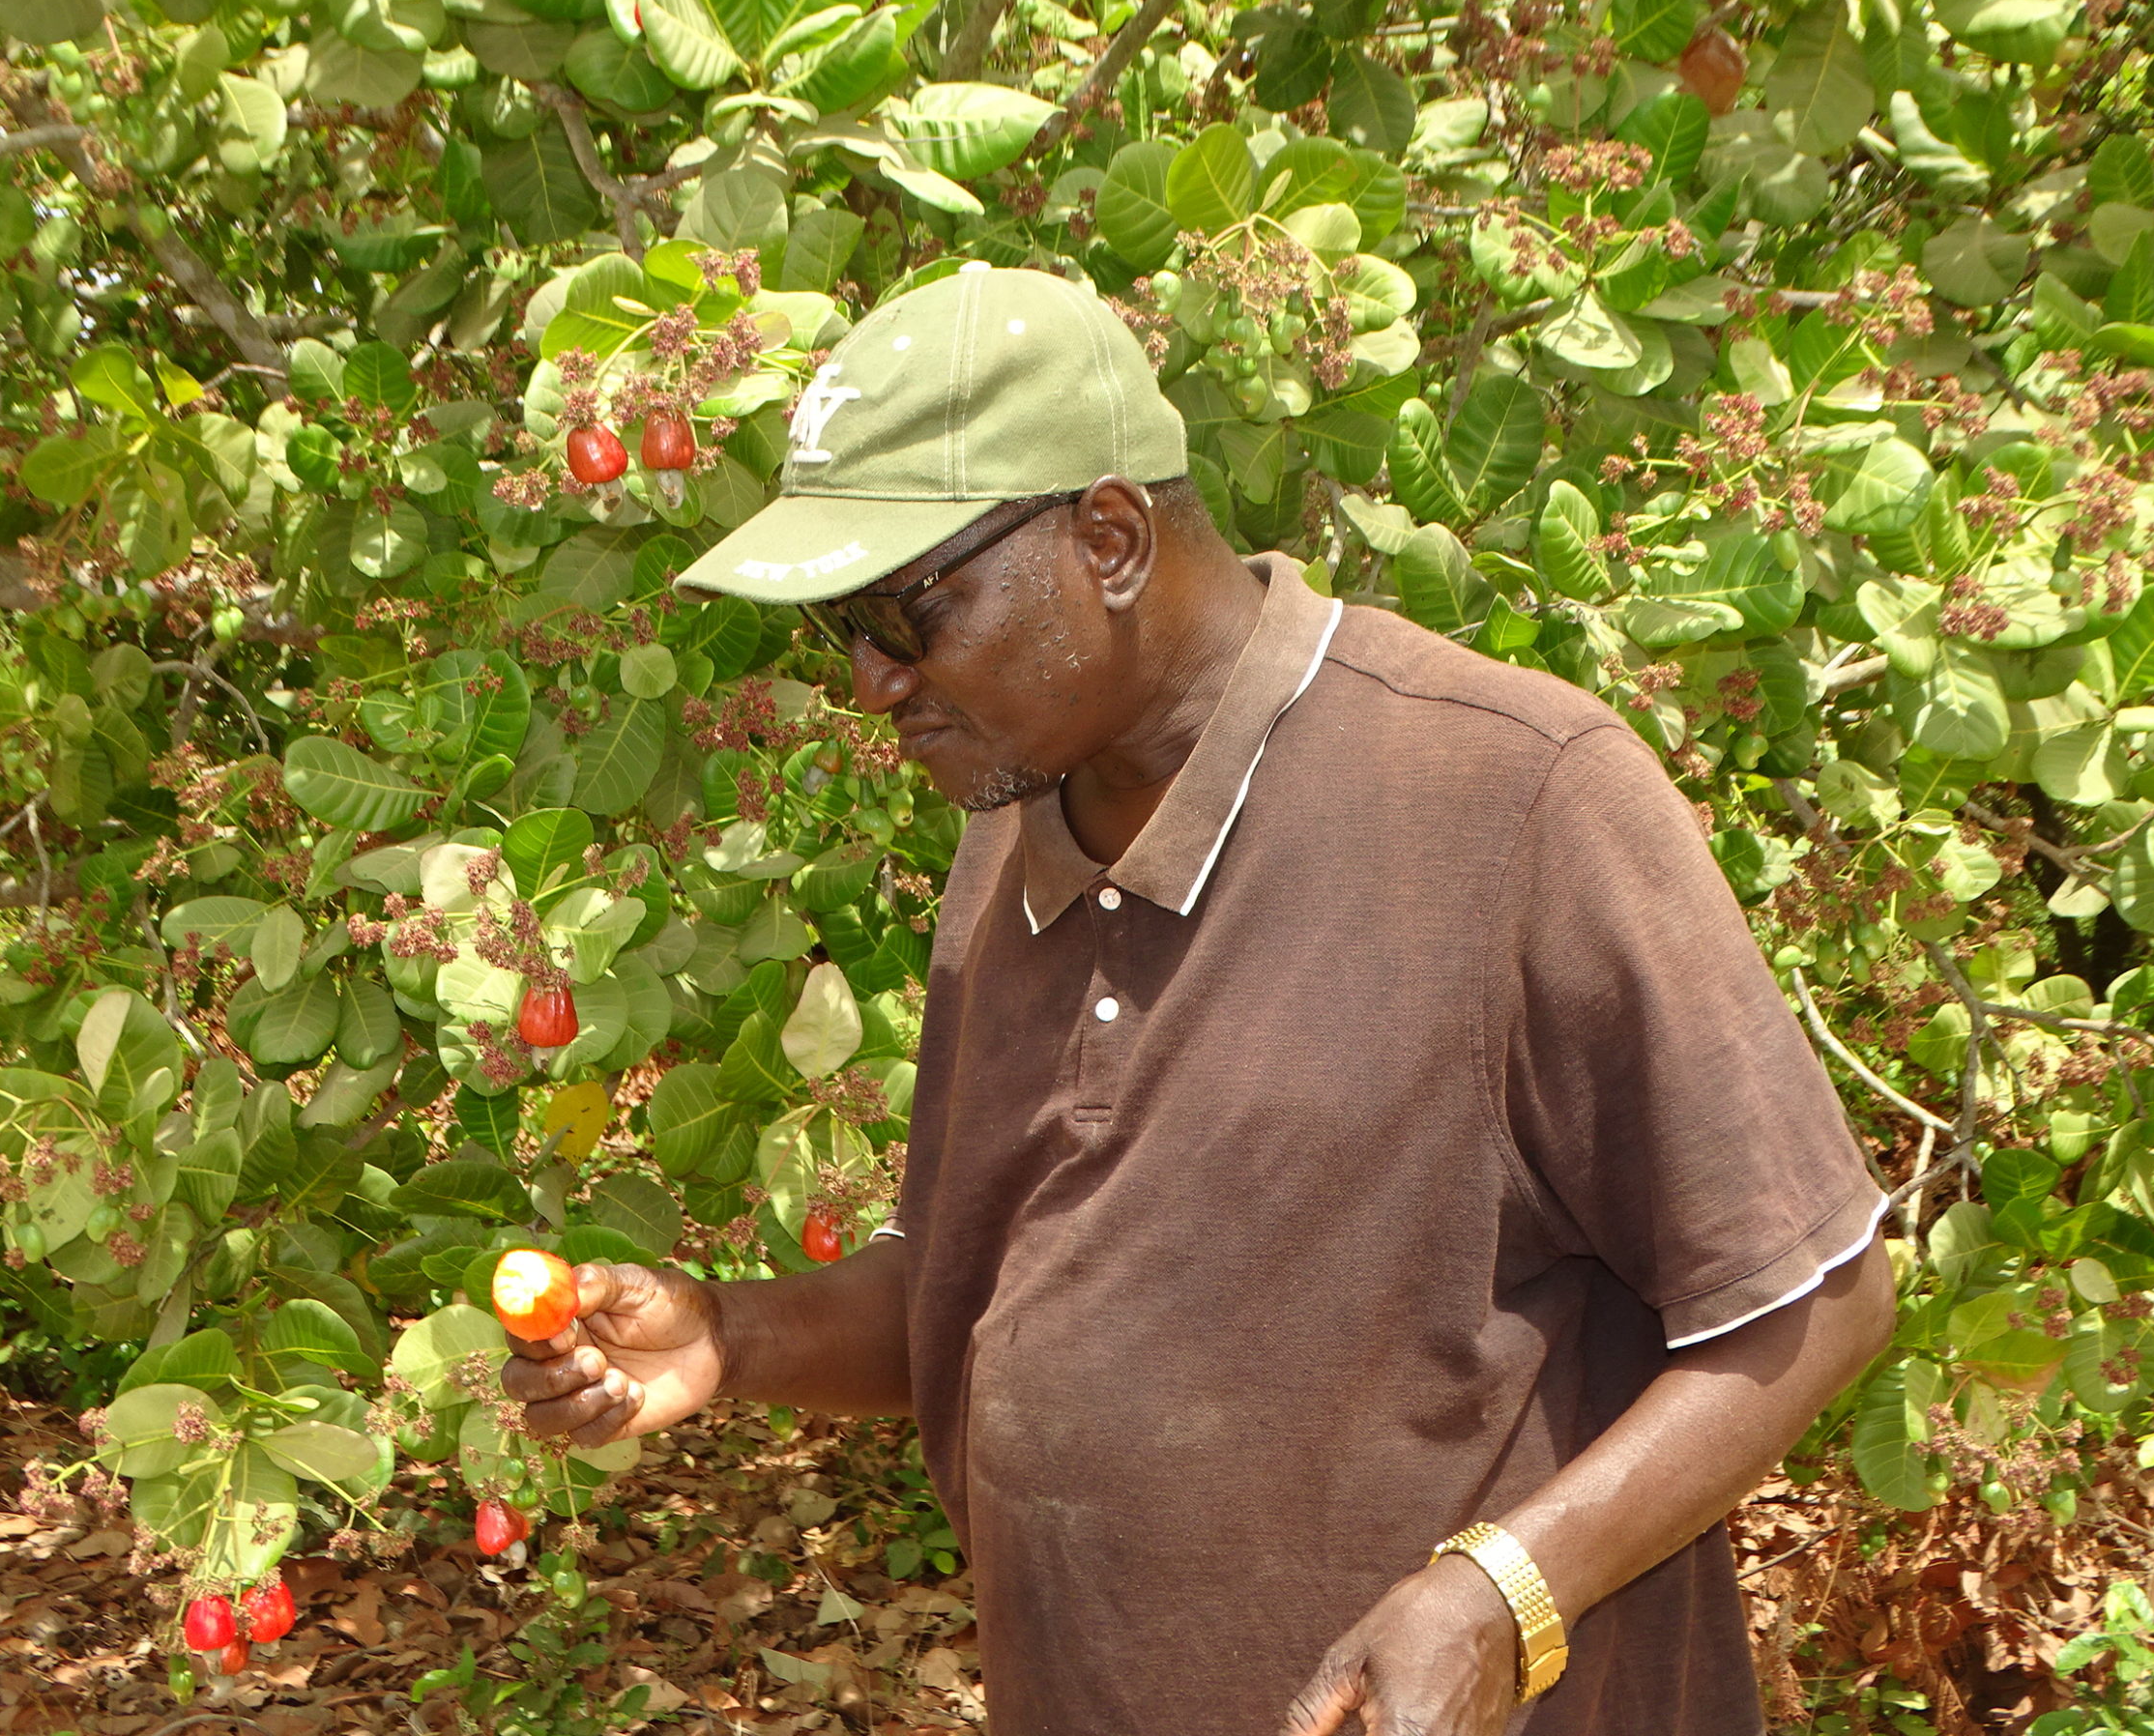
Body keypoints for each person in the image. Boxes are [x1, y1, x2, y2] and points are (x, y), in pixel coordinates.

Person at [501, 263, 1896, 1736]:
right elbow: (977, 1274)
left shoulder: (1514, 796)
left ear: (1107, 536)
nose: (870, 684)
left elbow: (1815, 1300)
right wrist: (730, 1337)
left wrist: (1504, 1594)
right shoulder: (1012, 831)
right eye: (838, 629)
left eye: (907, 615)